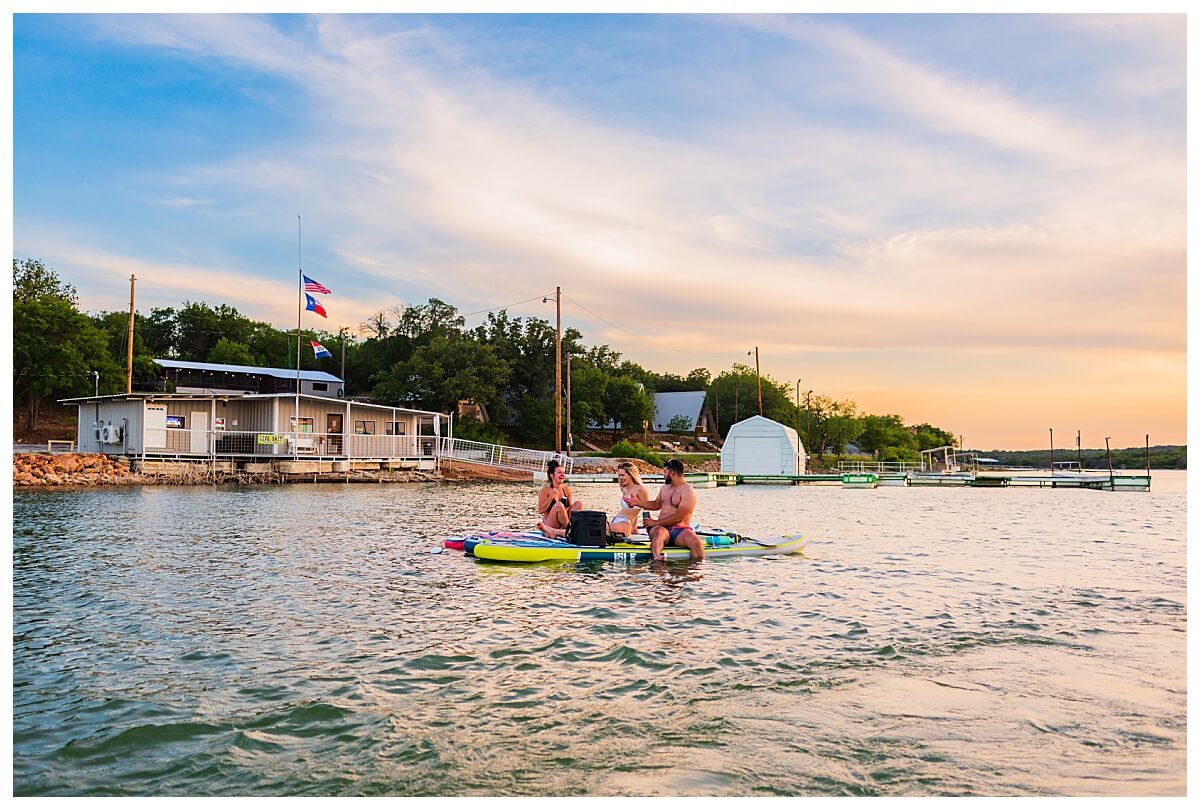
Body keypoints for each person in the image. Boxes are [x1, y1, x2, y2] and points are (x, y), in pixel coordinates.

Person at [622, 458, 704, 561]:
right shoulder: (664, 488)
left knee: (696, 543)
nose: (663, 474)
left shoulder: (687, 491)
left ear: (672, 473)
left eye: (665, 472)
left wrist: (655, 522)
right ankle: (657, 559)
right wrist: (637, 502)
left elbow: (680, 516)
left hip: (680, 530)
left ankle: (695, 570)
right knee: (658, 533)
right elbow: (656, 504)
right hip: (662, 528)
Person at [536, 458, 581, 539]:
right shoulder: (545, 490)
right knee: (559, 505)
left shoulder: (566, 489)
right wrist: (551, 497)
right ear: (552, 475)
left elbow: (571, 510)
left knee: (578, 503)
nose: (562, 475)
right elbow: (541, 510)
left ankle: (567, 530)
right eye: (559, 473)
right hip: (551, 523)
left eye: (563, 473)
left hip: (563, 522)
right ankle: (569, 531)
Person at [609, 462, 651, 540]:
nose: (620, 478)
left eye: (622, 475)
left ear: (631, 475)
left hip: (625, 524)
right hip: (616, 520)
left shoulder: (640, 489)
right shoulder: (624, 488)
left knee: (599, 525)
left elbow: (646, 509)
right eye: (619, 475)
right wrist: (634, 528)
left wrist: (650, 531)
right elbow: (634, 509)